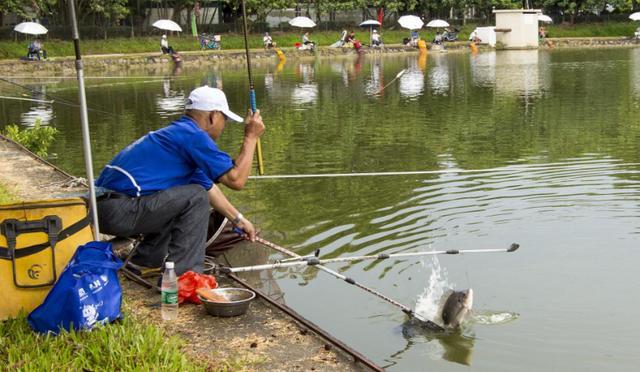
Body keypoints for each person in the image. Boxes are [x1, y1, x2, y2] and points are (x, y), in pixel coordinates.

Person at [95, 86, 265, 276]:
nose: (223, 126)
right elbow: (236, 180)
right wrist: (251, 138)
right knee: (195, 197)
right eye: (224, 119)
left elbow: (207, 188)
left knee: (189, 194)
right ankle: (185, 276)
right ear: (213, 116)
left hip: (102, 209)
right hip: (119, 210)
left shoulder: (177, 134)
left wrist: (238, 220)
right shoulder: (194, 136)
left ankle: (146, 260)